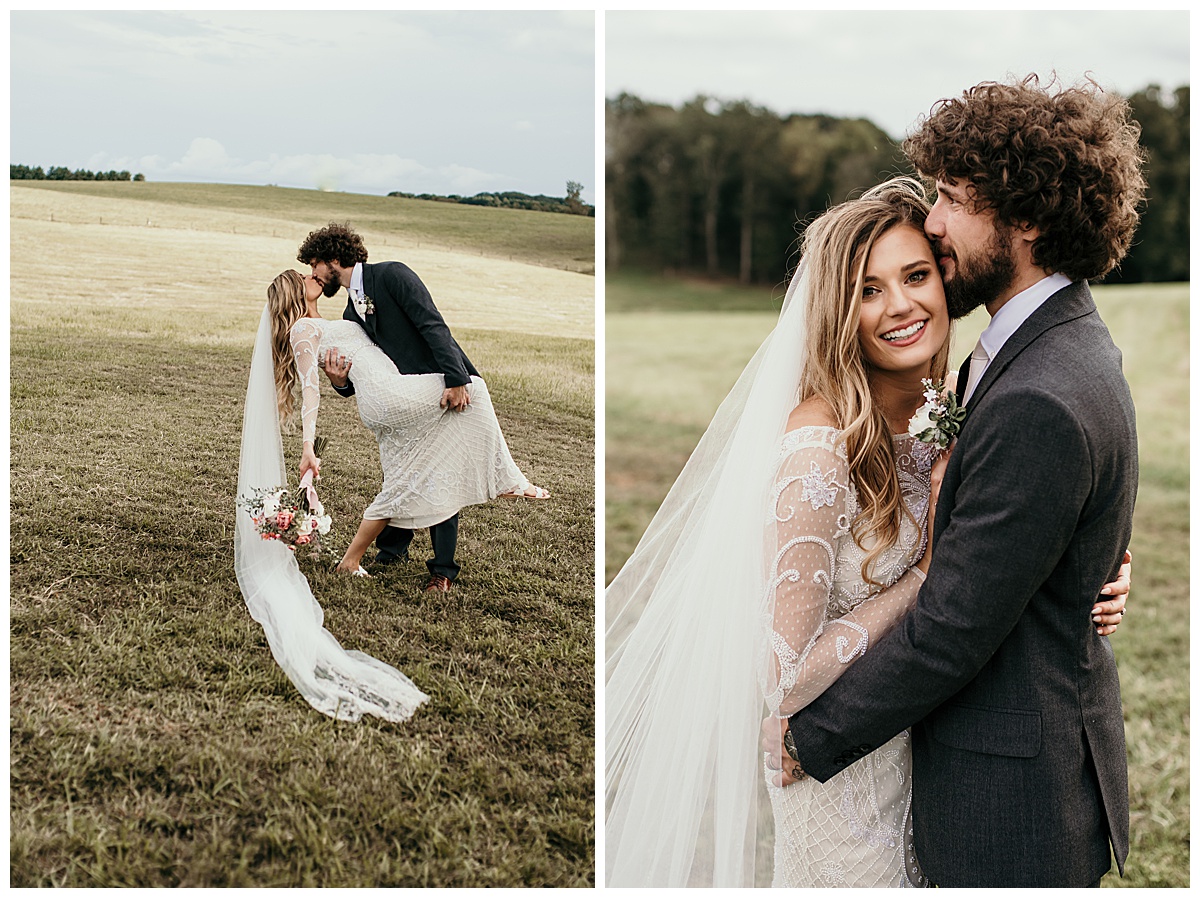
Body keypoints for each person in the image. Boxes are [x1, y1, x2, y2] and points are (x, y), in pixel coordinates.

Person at [604, 177, 1130, 885]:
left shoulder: (964, 399)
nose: (901, 305)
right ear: (836, 311)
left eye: (916, 275)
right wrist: (927, 572)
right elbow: (784, 681)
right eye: (868, 290)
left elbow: (1018, 516)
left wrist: (1085, 568)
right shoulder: (818, 450)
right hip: (845, 796)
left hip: (935, 769)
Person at [773, 76, 1145, 887]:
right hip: (941, 773)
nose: (934, 223)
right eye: (871, 287)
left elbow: (952, 623)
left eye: (951, 198)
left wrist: (809, 735)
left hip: (1005, 803)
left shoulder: (1039, 387)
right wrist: (1082, 565)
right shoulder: (1052, 343)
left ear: (1028, 217)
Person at [296, 223, 549, 592]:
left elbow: (433, 325)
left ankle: (442, 571)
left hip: (441, 388)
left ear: (334, 258)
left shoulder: (393, 275)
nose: (314, 273)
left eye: (315, 264)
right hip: (402, 400)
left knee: (440, 474)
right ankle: (391, 552)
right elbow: (363, 375)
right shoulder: (352, 313)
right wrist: (339, 381)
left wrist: (456, 378)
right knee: (402, 471)